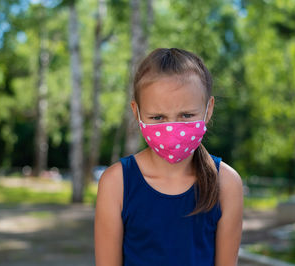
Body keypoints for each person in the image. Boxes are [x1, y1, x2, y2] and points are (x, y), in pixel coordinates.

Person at [94, 48, 243, 266]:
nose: (172, 129)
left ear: (208, 109)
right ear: (136, 112)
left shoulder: (227, 183)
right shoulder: (116, 183)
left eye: (186, 115)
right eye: (157, 117)